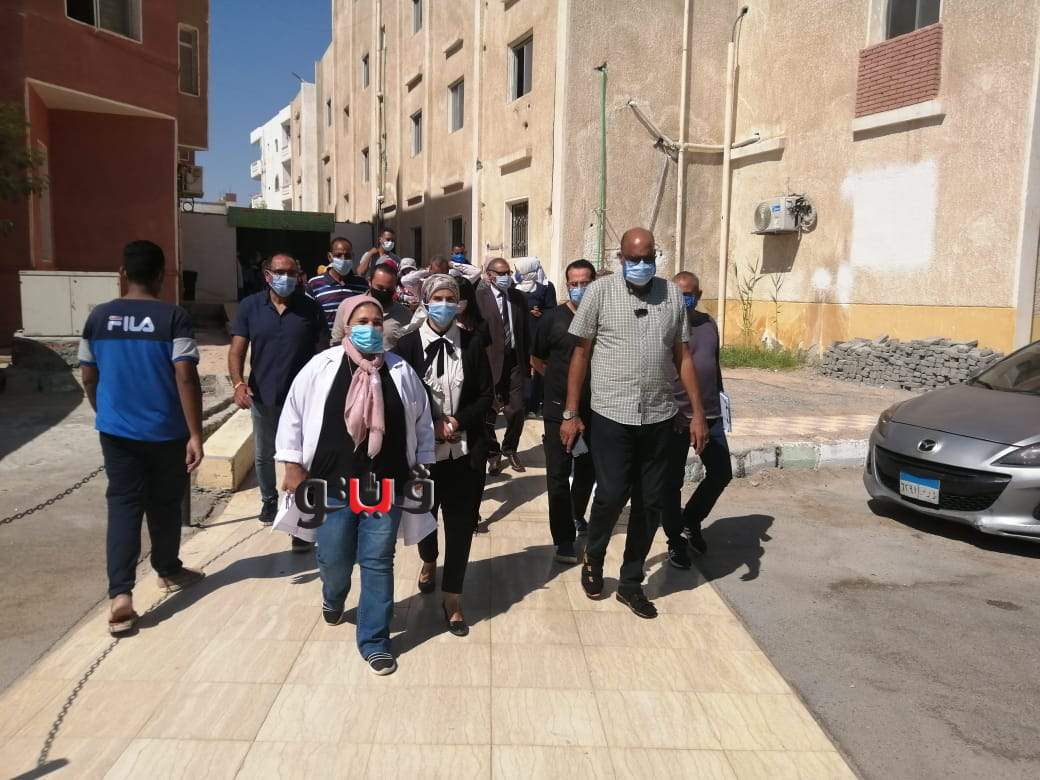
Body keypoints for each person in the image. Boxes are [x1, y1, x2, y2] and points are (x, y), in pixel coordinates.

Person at [276, 296, 435, 675]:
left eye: (377, 321)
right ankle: (333, 595)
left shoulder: (400, 370)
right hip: (330, 484)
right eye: (362, 321)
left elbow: (421, 421)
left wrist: (422, 468)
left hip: (383, 483)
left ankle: (375, 640)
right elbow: (293, 413)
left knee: (378, 560)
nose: (371, 328)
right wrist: (292, 463)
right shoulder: (322, 366)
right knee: (335, 557)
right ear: (346, 326)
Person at [561, 227, 709, 619]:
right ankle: (594, 557)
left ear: (655, 257)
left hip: (659, 416)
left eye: (648, 258)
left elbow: (683, 357)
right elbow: (580, 355)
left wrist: (697, 414)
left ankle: (630, 582)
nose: (642, 265)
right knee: (611, 495)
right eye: (634, 258)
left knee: (651, 502)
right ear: (621, 258)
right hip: (612, 414)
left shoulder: (672, 295)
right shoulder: (599, 293)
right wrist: (571, 413)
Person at [78, 240, 205, 635]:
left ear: (123, 274)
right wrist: (196, 433)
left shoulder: (98, 318)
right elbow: (185, 376)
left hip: (116, 433)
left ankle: (121, 595)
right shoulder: (173, 317)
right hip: (167, 432)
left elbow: (88, 376)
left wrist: (105, 412)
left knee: (124, 506)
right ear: (160, 275)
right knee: (165, 504)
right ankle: (167, 569)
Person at [396, 275, 493, 635]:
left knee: (461, 523)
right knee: (424, 516)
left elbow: (485, 394)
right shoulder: (407, 345)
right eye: (437, 298)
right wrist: (430, 424)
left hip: (464, 451)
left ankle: (453, 596)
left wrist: (456, 420)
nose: (445, 304)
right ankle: (428, 559)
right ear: (425, 301)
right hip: (423, 454)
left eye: (450, 298)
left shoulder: (472, 342)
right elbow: (400, 397)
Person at [229, 252, 329, 539]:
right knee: (264, 453)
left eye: (292, 272)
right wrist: (238, 384)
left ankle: (302, 507)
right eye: (280, 272)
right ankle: (269, 500)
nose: (286, 278)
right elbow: (236, 351)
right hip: (264, 395)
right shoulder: (250, 307)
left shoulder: (310, 308)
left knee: (305, 454)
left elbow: (323, 351)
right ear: (267, 275)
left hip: (302, 399)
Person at [531, 259, 596, 563]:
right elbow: (536, 359)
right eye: (574, 283)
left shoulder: (602, 317)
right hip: (558, 409)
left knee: (588, 470)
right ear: (567, 285)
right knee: (558, 474)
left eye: (585, 282)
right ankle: (564, 539)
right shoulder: (552, 319)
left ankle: (576, 513)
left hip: (596, 408)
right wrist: (557, 382)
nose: (579, 288)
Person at [665, 271, 730, 560]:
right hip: (676, 416)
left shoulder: (708, 324)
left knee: (721, 472)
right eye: (678, 294)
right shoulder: (664, 325)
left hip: (709, 414)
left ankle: (691, 520)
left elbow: (714, 367)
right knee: (671, 481)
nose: (683, 299)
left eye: (688, 295)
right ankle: (674, 539)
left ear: (698, 295)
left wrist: (722, 402)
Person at [476, 257, 530, 474]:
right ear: (490, 276)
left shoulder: (519, 298)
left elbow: (525, 331)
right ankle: (493, 453)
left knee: (517, 409)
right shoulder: (479, 298)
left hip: (514, 361)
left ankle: (510, 448)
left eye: (508, 272)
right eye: (501, 273)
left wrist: (528, 362)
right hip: (488, 363)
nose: (507, 277)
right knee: (487, 413)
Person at [332, 264, 415, 350]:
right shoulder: (348, 305)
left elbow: (408, 347)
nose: (384, 292)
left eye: (389, 289)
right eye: (380, 287)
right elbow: (337, 340)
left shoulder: (404, 314)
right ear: (369, 281)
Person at [514, 257, 556, 417]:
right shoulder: (514, 286)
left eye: (519, 271)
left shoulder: (546, 287)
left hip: (538, 333)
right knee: (522, 369)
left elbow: (552, 310)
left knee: (539, 369)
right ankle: (524, 404)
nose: (517, 274)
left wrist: (541, 313)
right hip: (521, 334)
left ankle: (537, 403)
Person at [307, 237, 370, 330]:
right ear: (330, 257)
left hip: (354, 338)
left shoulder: (362, 284)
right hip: (326, 339)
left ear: (352, 256)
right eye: (338, 255)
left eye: (347, 256)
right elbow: (308, 316)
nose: (343, 259)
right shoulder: (314, 284)